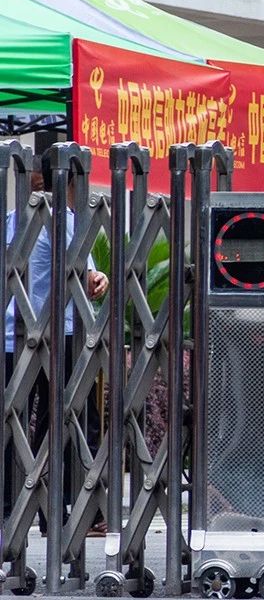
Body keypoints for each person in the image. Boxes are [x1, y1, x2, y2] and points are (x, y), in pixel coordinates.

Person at [3, 169, 109, 529]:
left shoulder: (20, 221)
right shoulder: (58, 222)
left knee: (21, 423)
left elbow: (90, 276)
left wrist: (98, 279)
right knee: (59, 423)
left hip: (23, 338)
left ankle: (22, 510)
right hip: (48, 336)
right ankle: (55, 510)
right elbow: (91, 278)